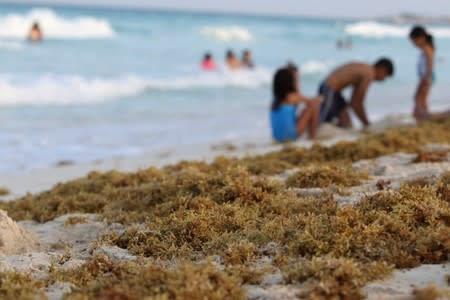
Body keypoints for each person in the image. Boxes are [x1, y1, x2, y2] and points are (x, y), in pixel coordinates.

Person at [318, 58, 394, 128]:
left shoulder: (365, 69)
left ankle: (334, 138)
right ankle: (311, 139)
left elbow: (354, 101)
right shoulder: (369, 73)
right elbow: (357, 103)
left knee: (346, 122)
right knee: (321, 121)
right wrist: (367, 124)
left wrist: (365, 122)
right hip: (329, 89)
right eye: (385, 76)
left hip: (335, 92)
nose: (383, 80)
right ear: (382, 69)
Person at [270, 64, 322, 142]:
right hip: (290, 136)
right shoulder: (291, 97)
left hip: (277, 137)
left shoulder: (275, 100)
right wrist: (321, 97)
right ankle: (312, 138)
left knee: (298, 113)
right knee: (313, 106)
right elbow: (312, 102)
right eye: (294, 80)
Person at [409, 26, 436, 121]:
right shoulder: (426, 48)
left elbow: (430, 63)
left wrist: (427, 77)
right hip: (425, 76)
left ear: (422, 38)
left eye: (415, 41)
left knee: (420, 97)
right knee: (419, 97)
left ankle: (424, 115)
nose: (414, 44)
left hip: (426, 76)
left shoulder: (427, 49)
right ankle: (420, 114)